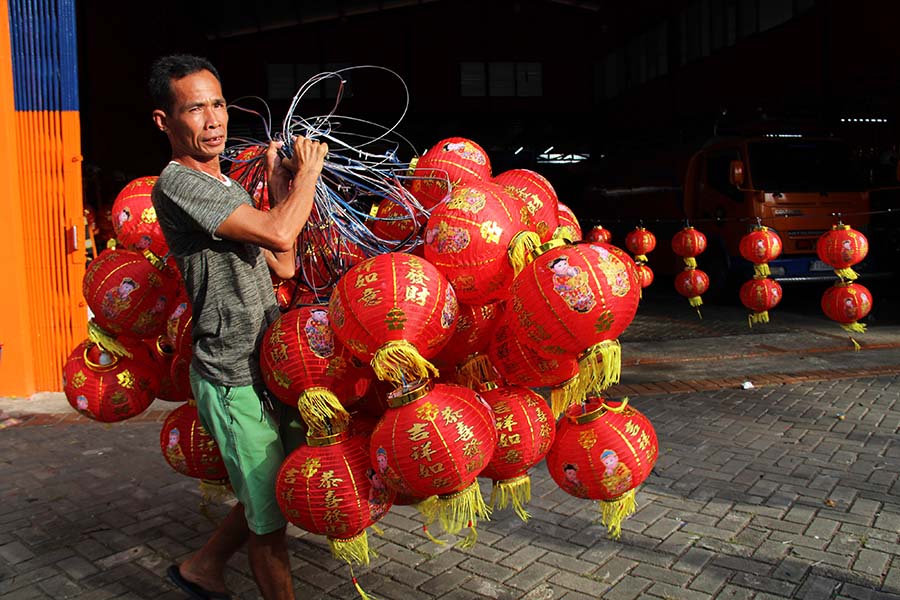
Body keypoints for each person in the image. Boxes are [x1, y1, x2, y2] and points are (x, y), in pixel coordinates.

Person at [148, 54, 327, 600]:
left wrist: (277, 185)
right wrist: (310, 175)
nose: (213, 119)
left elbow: (285, 263)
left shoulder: (227, 186)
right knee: (270, 526)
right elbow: (277, 233)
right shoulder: (178, 184)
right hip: (229, 375)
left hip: (265, 363)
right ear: (165, 121)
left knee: (269, 495)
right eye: (195, 108)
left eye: (218, 104)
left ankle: (201, 568)